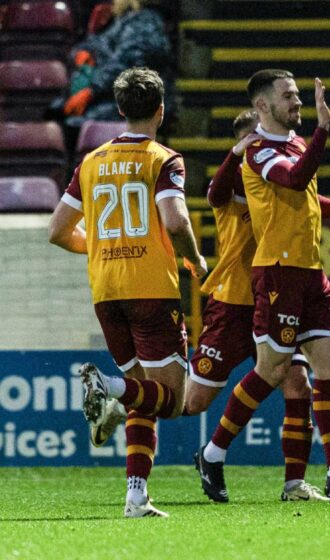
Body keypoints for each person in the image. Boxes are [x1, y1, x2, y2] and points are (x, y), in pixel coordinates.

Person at [194, 69, 330, 502]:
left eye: (298, 95)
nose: (297, 102)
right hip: (277, 272)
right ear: (263, 106)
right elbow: (293, 178)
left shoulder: (296, 145)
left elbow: (307, 198)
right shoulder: (258, 151)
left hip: (309, 270)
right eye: (288, 96)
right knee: (273, 369)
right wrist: (324, 128)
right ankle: (212, 452)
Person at [48, 67, 208, 518]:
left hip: (106, 291)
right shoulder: (163, 159)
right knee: (173, 400)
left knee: (143, 397)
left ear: (119, 110)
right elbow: (175, 222)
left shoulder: (91, 161)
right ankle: (107, 386)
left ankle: (136, 497)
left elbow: (58, 231)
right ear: (161, 110)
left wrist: (100, 246)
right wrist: (194, 258)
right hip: (150, 289)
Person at [60, 0, 173, 126]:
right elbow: (97, 44)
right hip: (112, 96)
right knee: (59, 111)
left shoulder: (145, 23)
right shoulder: (121, 21)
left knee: (73, 124)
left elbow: (126, 65)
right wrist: (84, 52)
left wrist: (91, 91)